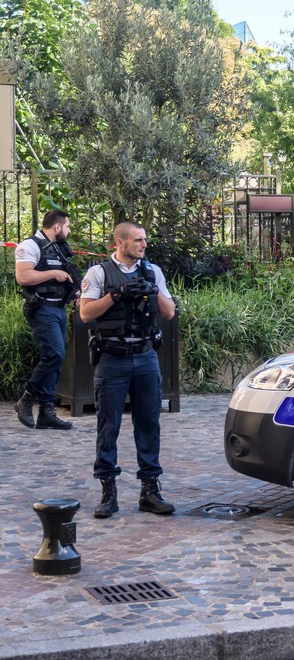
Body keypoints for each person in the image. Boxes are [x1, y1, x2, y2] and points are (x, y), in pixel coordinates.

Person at [79, 221, 177, 520]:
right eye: (137, 240)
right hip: (112, 358)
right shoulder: (98, 273)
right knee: (108, 426)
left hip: (145, 356)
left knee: (149, 424)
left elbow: (169, 312)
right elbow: (85, 313)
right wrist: (116, 295)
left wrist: (152, 290)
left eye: (144, 239)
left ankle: (150, 490)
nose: (144, 245)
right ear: (119, 243)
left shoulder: (152, 271)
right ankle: (108, 492)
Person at [13, 208, 78, 430]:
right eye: (68, 226)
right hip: (41, 309)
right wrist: (53, 274)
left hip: (59, 309)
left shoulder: (60, 249)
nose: (69, 231)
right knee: (55, 354)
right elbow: (23, 276)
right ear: (57, 227)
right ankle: (27, 398)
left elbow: (66, 278)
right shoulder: (29, 246)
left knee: (57, 358)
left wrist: (76, 293)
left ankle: (47, 412)